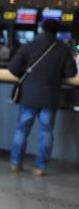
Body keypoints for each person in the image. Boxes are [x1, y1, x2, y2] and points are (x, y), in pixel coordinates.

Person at [8, 18, 77, 175]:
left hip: (28, 95)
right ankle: (40, 167)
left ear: (41, 28)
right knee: (46, 132)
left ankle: (15, 163)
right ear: (57, 31)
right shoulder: (62, 49)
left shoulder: (28, 45)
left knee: (22, 130)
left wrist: (27, 76)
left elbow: (13, 67)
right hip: (50, 96)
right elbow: (71, 73)